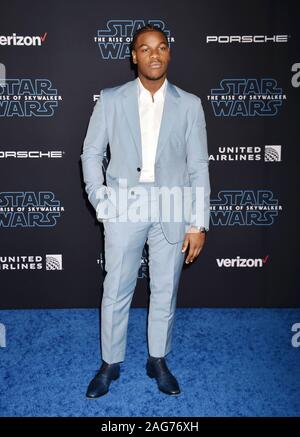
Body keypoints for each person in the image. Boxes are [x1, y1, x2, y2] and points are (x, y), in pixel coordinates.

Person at [80, 24, 210, 398]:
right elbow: (90, 153)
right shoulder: (111, 99)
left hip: (172, 207)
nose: (155, 54)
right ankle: (110, 363)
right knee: (116, 289)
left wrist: (198, 222)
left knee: (165, 289)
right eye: (145, 48)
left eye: (162, 48)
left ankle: (158, 359)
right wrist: (101, 200)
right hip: (124, 207)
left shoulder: (190, 105)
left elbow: (198, 166)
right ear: (133, 56)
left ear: (169, 54)